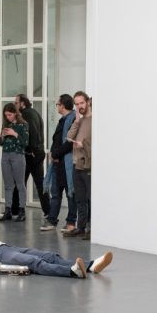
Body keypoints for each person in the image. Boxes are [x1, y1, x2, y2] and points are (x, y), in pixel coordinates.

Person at [0, 236, 112, 279]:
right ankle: (72, 272)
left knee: (48, 255)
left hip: (4, 247)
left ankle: (91, 265)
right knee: (34, 263)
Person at [40, 94, 76, 233]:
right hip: (57, 164)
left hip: (66, 164)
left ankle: (71, 222)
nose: (57, 107)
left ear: (62, 105)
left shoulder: (73, 119)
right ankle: (52, 220)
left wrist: (55, 154)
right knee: (55, 194)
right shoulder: (62, 120)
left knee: (70, 194)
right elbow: (57, 140)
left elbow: (69, 143)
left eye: (57, 104)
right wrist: (53, 154)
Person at [64, 90, 92, 238]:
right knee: (80, 199)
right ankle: (81, 227)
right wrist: (76, 121)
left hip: (88, 165)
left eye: (82, 103)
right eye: (77, 104)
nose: (80, 106)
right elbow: (69, 136)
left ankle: (91, 229)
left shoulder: (95, 120)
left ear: (88, 102)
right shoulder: (80, 121)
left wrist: (83, 145)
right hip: (77, 164)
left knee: (90, 199)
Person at [16, 94, 48, 218]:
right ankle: (48, 211)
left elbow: (32, 132)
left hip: (32, 154)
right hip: (38, 152)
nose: (15, 105)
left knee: (20, 183)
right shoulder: (35, 112)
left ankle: (16, 210)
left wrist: (31, 149)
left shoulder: (26, 114)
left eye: (16, 103)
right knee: (39, 183)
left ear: (22, 103)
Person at [0, 103, 29, 222]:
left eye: (10, 115)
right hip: (5, 155)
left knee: (20, 184)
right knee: (8, 185)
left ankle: (22, 211)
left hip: (18, 155)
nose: (8, 117)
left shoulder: (23, 124)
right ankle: (8, 210)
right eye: (6, 115)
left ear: (15, 113)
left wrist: (14, 134)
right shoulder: (6, 124)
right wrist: (2, 136)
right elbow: (1, 143)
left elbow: (25, 143)